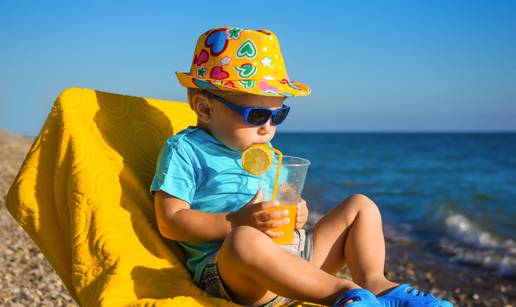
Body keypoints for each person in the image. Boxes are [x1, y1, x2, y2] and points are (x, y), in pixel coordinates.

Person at [150, 27, 453, 306]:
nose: (268, 128)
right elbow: (170, 221)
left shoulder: (266, 152)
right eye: (256, 116)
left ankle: (376, 285)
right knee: (245, 239)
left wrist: (298, 212)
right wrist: (235, 221)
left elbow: (279, 198)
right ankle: (343, 294)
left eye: (277, 116)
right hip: (237, 272)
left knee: (360, 206)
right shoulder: (186, 150)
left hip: (296, 263)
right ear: (205, 108)